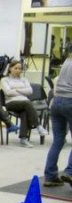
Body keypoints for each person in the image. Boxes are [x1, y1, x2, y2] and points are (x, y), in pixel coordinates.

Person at [0, 60, 48, 148]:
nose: (18, 70)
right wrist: (22, 91)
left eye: (20, 69)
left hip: (24, 103)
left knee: (25, 112)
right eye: (16, 68)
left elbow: (30, 91)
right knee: (27, 103)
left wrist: (15, 90)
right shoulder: (4, 80)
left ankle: (23, 139)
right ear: (10, 69)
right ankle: (38, 126)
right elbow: (8, 93)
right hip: (11, 103)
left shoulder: (24, 79)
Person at [43, 49, 72, 187]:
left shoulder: (67, 61)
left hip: (57, 101)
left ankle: (50, 175)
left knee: (58, 140)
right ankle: (70, 172)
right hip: (70, 101)